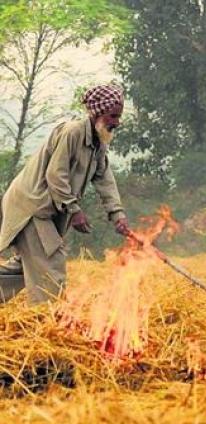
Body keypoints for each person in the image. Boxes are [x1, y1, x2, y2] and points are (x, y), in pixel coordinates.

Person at [0, 85, 131, 304]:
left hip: (45, 210)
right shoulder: (72, 132)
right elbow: (55, 175)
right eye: (113, 116)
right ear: (97, 113)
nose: (117, 122)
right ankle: (46, 321)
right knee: (51, 263)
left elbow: (104, 179)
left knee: (28, 267)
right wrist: (74, 209)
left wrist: (117, 214)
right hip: (32, 206)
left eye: (119, 116)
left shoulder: (100, 141)